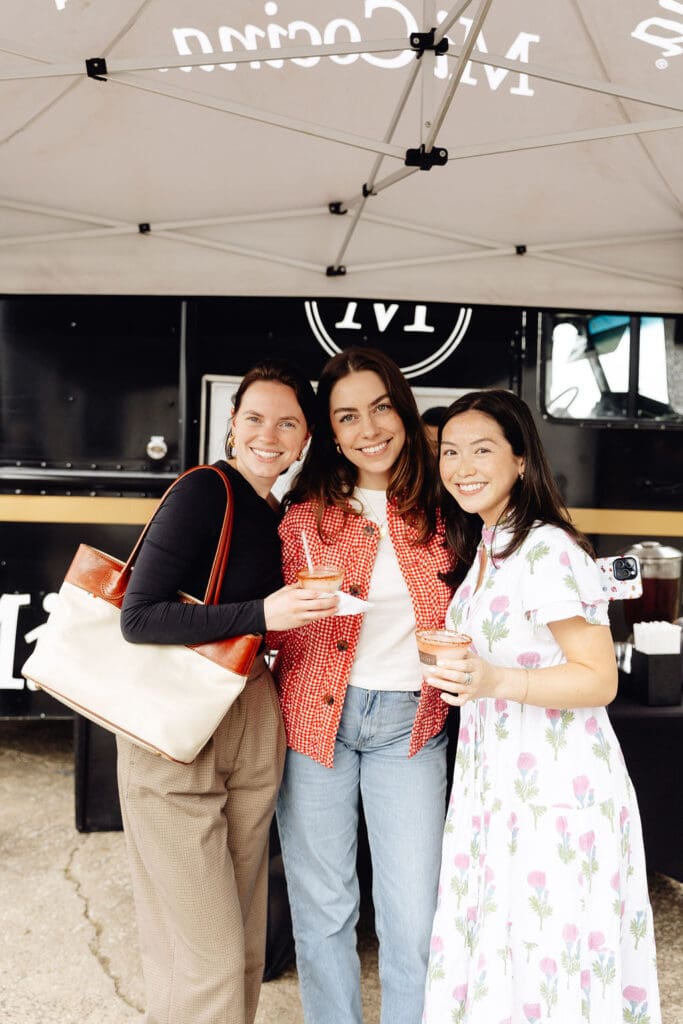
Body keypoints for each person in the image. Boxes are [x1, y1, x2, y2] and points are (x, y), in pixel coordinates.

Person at [422, 389, 661, 1024]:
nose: (462, 466)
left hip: (555, 794)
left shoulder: (546, 548)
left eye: (482, 450)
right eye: (450, 452)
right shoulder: (487, 548)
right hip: (498, 787)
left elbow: (598, 679)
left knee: (546, 960)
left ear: (522, 460)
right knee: (507, 958)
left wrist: (496, 678)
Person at [116, 360, 338, 1024]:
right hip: (178, 727)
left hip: (250, 715)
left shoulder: (279, 512)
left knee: (242, 951)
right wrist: (261, 615)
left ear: (304, 441)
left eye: (287, 423)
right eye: (254, 418)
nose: (268, 434)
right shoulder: (203, 492)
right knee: (204, 958)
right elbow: (139, 616)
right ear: (231, 426)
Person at [271, 346, 455, 1024]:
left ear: (401, 409)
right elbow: (265, 626)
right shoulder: (302, 518)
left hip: (410, 726)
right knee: (324, 912)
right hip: (314, 722)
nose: (368, 428)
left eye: (379, 407)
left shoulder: (448, 507)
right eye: (347, 416)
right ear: (330, 430)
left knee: (412, 917)